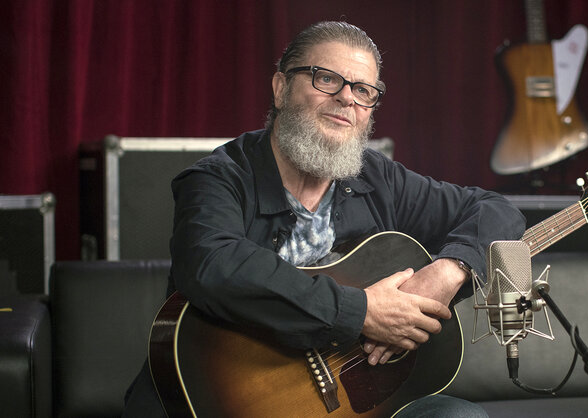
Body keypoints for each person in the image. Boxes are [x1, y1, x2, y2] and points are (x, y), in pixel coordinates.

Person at [123, 21, 525, 417]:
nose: (348, 99)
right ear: (281, 88)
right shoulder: (218, 178)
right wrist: (361, 312)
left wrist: (450, 270)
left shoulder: (378, 177)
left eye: (364, 90)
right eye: (327, 79)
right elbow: (214, 264)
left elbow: (498, 212)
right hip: (218, 403)